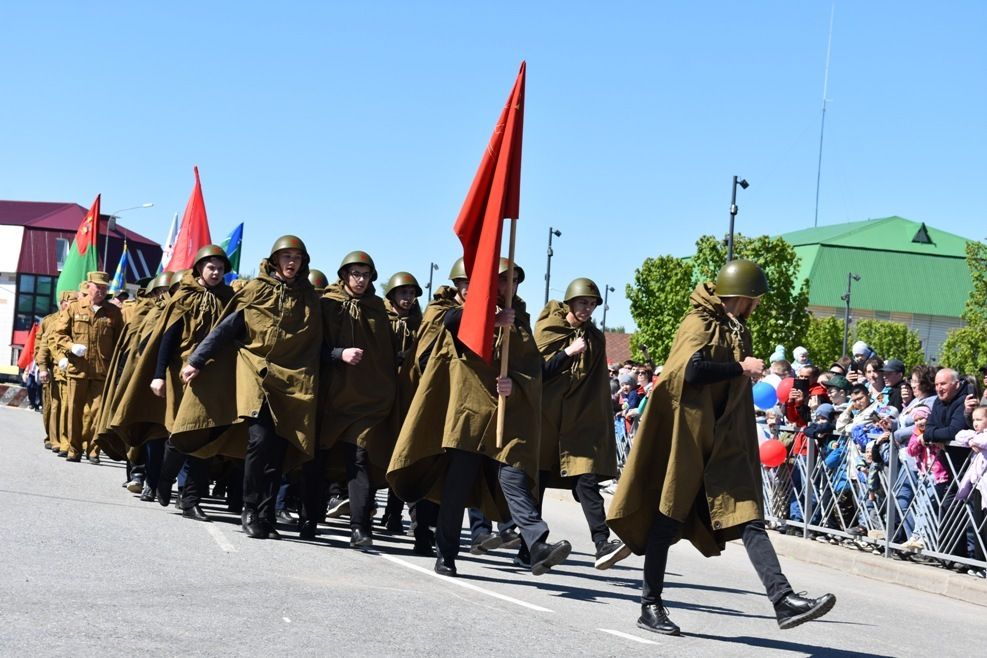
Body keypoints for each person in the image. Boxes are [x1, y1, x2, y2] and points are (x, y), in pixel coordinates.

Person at [607, 259, 835, 636]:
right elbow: (690, 372)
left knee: (748, 518)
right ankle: (650, 605)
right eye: (755, 299)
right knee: (665, 523)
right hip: (689, 443)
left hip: (721, 446)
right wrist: (740, 368)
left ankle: (783, 601)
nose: (757, 306)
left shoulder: (737, 330)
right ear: (743, 297)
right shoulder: (697, 322)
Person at [389, 258, 572, 578]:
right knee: (456, 489)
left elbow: (532, 369)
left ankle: (537, 543)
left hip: (504, 417)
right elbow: (451, 322)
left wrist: (514, 382)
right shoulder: (465, 312)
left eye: (515, 281)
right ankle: (445, 553)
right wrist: (492, 318)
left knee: (514, 477)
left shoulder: (520, 318)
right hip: (468, 417)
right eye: (503, 280)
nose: (510, 287)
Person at [171, 235, 323, 540]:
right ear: (275, 260)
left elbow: (319, 343)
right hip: (256, 373)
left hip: (293, 382)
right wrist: (197, 360)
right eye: (286, 257)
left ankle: (267, 514)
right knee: (259, 440)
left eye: (297, 257)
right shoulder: (255, 290)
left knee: (279, 449)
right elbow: (226, 329)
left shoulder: (309, 298)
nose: (292, 262)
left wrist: (340, 355)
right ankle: (249, 509)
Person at [534, 277, 629, 569]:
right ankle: (532, 546)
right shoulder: (548, 329)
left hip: (578, 426)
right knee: (535, 482)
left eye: (591, 304)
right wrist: (568, 353)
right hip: (546, 421)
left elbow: (597, 387)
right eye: (582, 303)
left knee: (586, 481)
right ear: (570, 303)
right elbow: (539, 372)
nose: (587, 308)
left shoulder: (596, 338)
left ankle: (602, 544)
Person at [306, 251, 397, 547]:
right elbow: (308, 349)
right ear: (344, 275)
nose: (360, 279)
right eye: (355, 273)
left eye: (366, 274)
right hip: (328, 399)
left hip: (363, 402)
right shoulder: (327, 304)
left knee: (358, 460)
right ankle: (310, 518)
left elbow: (385, 356)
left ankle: (360, 528)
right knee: (317, 461)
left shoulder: (377, 309)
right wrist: (338, 354)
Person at [148, 246, 235, 521]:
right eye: (211, 267)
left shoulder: (229, 299)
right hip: (182, 373)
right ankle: (165, 478)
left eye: (220, 268)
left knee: (206, 437)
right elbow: (169, 339)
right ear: (199, 268)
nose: (216, 272)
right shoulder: (184, 297)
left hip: (215, 375)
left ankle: (191, 500)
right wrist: (159, 375)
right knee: (180, 433)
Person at [51, 272, 124, 463]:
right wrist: (71, 347)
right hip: (78, 368)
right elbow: (59, 335)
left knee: (97, 412)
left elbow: (119, 342)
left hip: (102, 371)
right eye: (97, 287)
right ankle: (74, 448)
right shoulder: (74, 308)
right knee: (73, 411)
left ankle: (93, 449)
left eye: (104, 288)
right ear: (88, 286)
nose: (100, 291)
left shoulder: (113, 312)